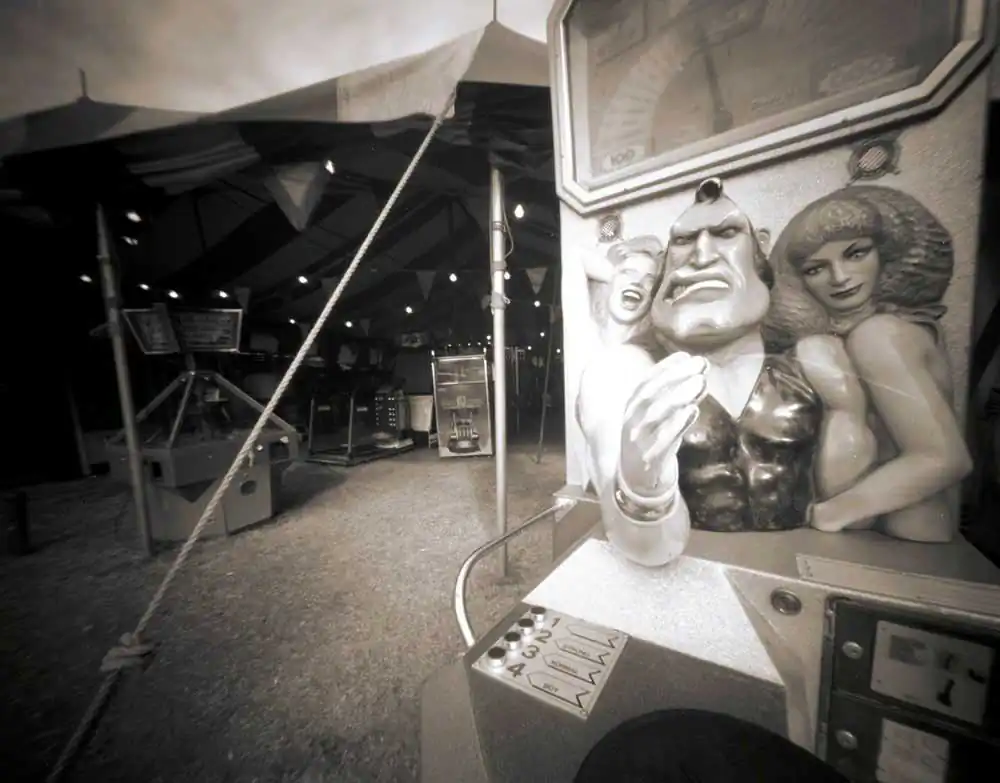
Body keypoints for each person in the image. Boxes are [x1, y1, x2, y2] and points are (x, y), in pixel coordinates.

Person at [577, 178, 874, 566]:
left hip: (798, 564)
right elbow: (638, 539)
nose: (702, 254)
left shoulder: (811, 366)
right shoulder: (625, 369)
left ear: (760, 264)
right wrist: (640, 485)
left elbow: (853, 508)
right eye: (683, 241)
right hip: (682, 570)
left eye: (726, 233)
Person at [770, 186, 972, 542]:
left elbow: (945, 457)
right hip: (865, 533)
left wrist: (831, 512)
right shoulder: (838, 340)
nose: (839, 277)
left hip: (912, 531)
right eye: (816, 269)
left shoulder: (881, 335)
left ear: (888, 252)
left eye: (856, 254)